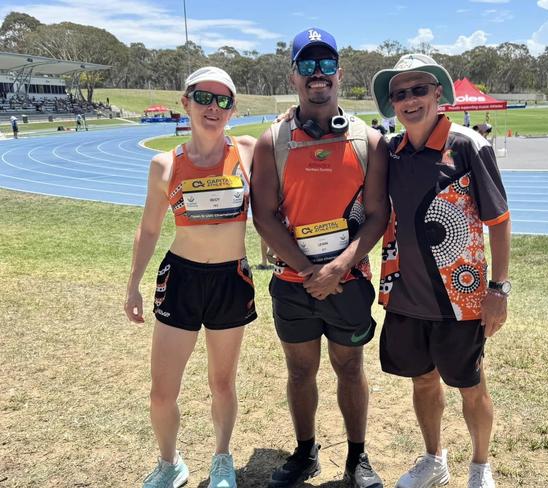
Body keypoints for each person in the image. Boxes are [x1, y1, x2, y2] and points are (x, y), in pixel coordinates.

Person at [252, 27, 388, 488]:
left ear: (339, 73)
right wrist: (309, 270)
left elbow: (377, 215)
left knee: (350, 366)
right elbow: (265, 216)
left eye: (325, 64)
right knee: (299, 370)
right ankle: (305, 451)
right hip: (294, 285)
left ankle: (357, 458)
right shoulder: (272, 142)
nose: (317, 74)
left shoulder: (368, 141)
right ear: (294, 76)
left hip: (347, 282)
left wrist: (339, 267)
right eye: (307, 65)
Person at [371, 53, 511, 488]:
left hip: (461, 299)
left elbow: (500, 221)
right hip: (406, 298)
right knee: (423, 381)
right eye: (400, 94)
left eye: (418, 90)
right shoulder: (390, 151)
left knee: (471, 384)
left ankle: (480, 467)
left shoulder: (469, 146)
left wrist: (499, 289)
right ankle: (434, 459)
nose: (410, 100)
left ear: (437, 93)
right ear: (392, 103)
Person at [124, 66, 257, 488]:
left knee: (222, 382)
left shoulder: (249, 151)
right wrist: (133, 284)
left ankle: (222, 458)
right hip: (180, 279)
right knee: (162, 392)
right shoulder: (164, 166)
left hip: (230, 280)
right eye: (203, 97)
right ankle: (170, 463)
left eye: (223, 100)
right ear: (186, 103)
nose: (212, 108)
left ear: (233, 109)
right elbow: (148, 229)